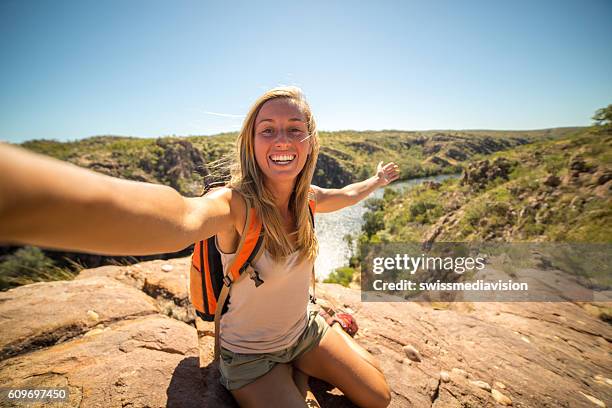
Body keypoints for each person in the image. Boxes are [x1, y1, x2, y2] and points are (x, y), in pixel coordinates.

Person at [0, 86, 399, 407]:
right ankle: (289, 373)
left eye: (295, 128)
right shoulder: (234, 205)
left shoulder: (307, 198)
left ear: (310, 142)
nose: (283, 139)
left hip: (304, 331)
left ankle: (310, 348)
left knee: (378, 397)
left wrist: (376, 181)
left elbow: (345, 194)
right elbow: (181, 217)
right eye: (268, 129)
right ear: (252, 141)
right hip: (251, 358)